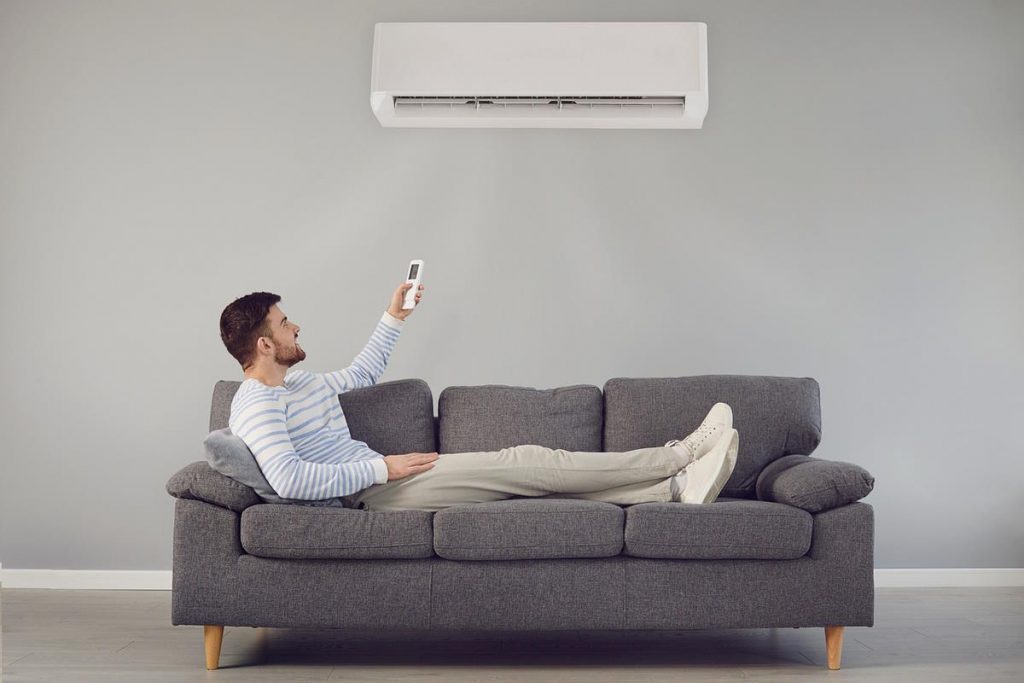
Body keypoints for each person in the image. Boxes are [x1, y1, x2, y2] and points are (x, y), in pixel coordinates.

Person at [218, 284, 738, 513]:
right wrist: (383, 471)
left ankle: (671, 492)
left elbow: (363, 371)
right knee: (530, 462)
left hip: (383, 478)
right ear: (265, 344)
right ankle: (681, 454)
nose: (296, 326)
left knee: (525, 484)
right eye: (286, 324)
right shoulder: (259, 404)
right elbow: (287, 480)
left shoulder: (300, 384)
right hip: (372, 494)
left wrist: (394, 316)